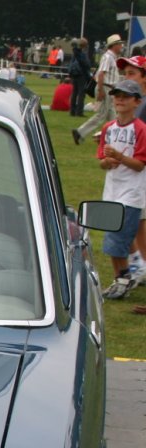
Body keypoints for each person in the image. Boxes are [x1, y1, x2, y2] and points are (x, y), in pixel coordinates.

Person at [95, 79, 146, 300]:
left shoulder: (141, 130)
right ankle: (120, 278)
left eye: (126, 97)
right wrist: (108, 161)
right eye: (117, 96)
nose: (120, 100)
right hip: (112, 192)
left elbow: (140, 165)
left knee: (119, 240)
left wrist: (120, 157)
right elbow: (101, 162)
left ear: (137, 102)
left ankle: (125, 278)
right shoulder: (108, 128)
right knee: (111, 239)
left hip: (131, 194)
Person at [74, 34, 124, 144]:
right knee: (101, 114)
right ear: (114, 45)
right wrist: (101, 90)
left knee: (112, 116)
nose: (121, 46)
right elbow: (101, 74)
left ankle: (114, 138)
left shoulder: (112, 57)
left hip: (109, 89)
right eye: (120, 44)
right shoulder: (108, 57)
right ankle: (80, 132)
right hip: (105, 88)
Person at [68, 38, 93, 117]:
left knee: (74, 93)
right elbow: (86, 64)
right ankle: (79, 112)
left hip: (74, 74)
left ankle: (72, 111)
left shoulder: (75, 53)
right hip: (82, 75)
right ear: (85, 45)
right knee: (81, 94)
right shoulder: (83, 53)